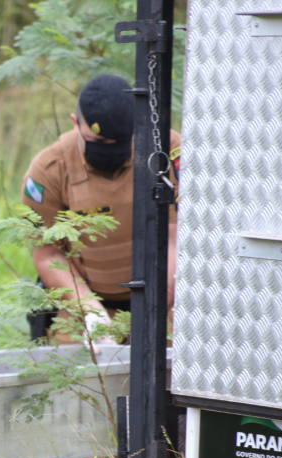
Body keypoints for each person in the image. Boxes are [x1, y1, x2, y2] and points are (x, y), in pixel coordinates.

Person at [21, 74, 180, 344]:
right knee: (78, 381)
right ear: (75, 122)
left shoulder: (167, 151)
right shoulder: (50, 169)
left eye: (118, 143)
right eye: (96, 142)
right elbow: (47, 252)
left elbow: (176, 235)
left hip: (164, 302)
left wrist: (153, 309)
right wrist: (89, 311)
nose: (109, 150)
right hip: (88, 303)